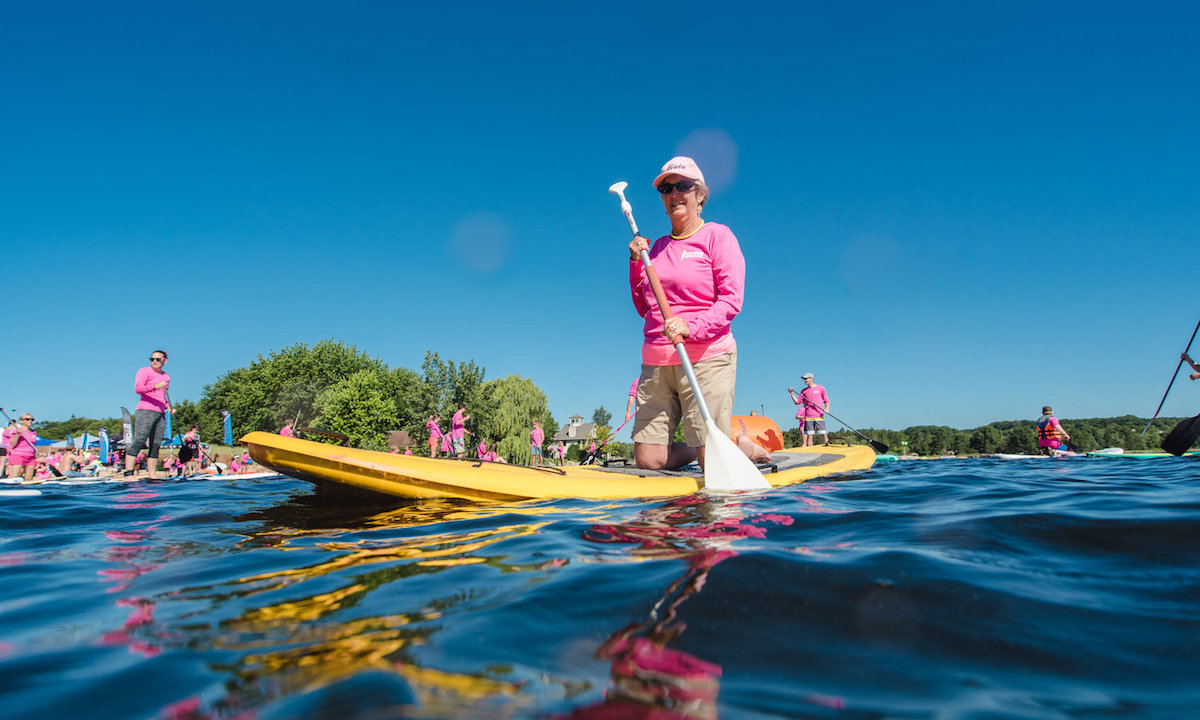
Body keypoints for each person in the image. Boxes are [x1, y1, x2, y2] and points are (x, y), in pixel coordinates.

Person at [627, 156, 749, 471]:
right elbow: (644, 307)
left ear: (700, 195)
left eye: (683, 186)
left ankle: (733, 446)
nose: (674, 193)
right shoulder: (655, 249)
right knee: (649, 459)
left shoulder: (717, 237)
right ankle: (723, 446)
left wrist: (691, 326)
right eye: (666, 189)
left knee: (714, 464)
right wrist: (635, 264)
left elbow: (732, 300)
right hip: (657, 360)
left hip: (706, 356)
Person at [788, 373, 830, 446]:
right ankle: (811, 453)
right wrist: (792, 393)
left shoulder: (820, 388)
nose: (805, 380)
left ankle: (828, 450)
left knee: (823, 433)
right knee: (810, 436)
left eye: (806, 378)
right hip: (808, 417)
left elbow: (826, 400)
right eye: (804, 379)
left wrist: (827, 408)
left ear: (812, 378)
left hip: (819, 414)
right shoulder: (804, 391)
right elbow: (797, 402)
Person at [4, 413, 40, 483]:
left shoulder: (33, 432)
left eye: (32, 419)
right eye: (27, 419)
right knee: (15, 477)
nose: (30, 421)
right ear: (21, 421)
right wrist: (17, 434)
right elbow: (12, 443)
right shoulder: (17, 430)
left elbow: (32, 444)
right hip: (18, 455)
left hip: (30, 456)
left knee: (29, 478)